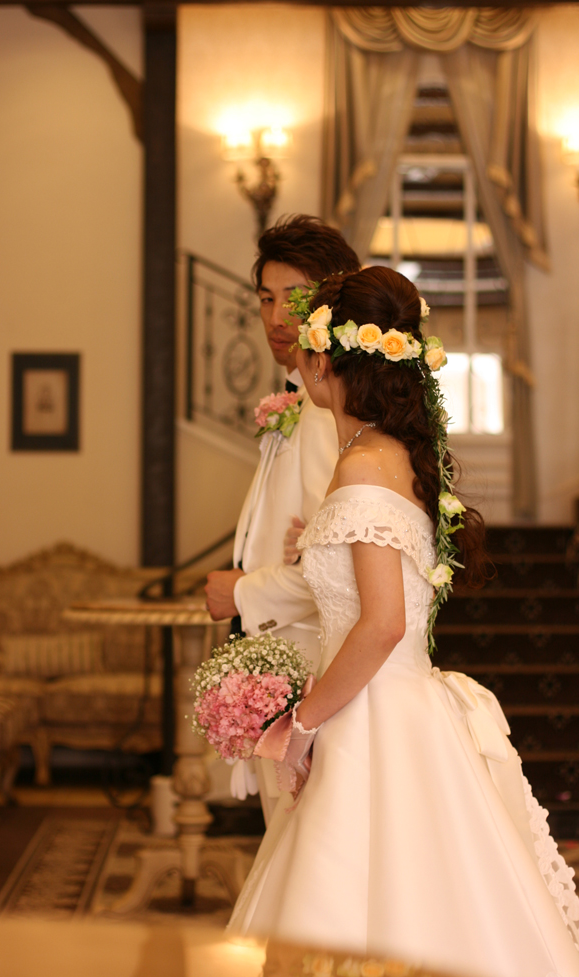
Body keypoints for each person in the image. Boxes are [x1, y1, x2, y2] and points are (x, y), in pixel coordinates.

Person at [227, 267, 579, 977]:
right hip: (397, 704)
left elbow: (383, 623)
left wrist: (303, 725)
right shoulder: (395, 457)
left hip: (370, 713)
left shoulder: (362, 465)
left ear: (324, 362)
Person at [204, 215, 359, 823]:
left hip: (311, 675)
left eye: (293, 299)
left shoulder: (324, 420)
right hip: (284, 670)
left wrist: (242, 591)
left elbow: (341, 569)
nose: (275, 317)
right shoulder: (296, 405)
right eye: (265, 298)